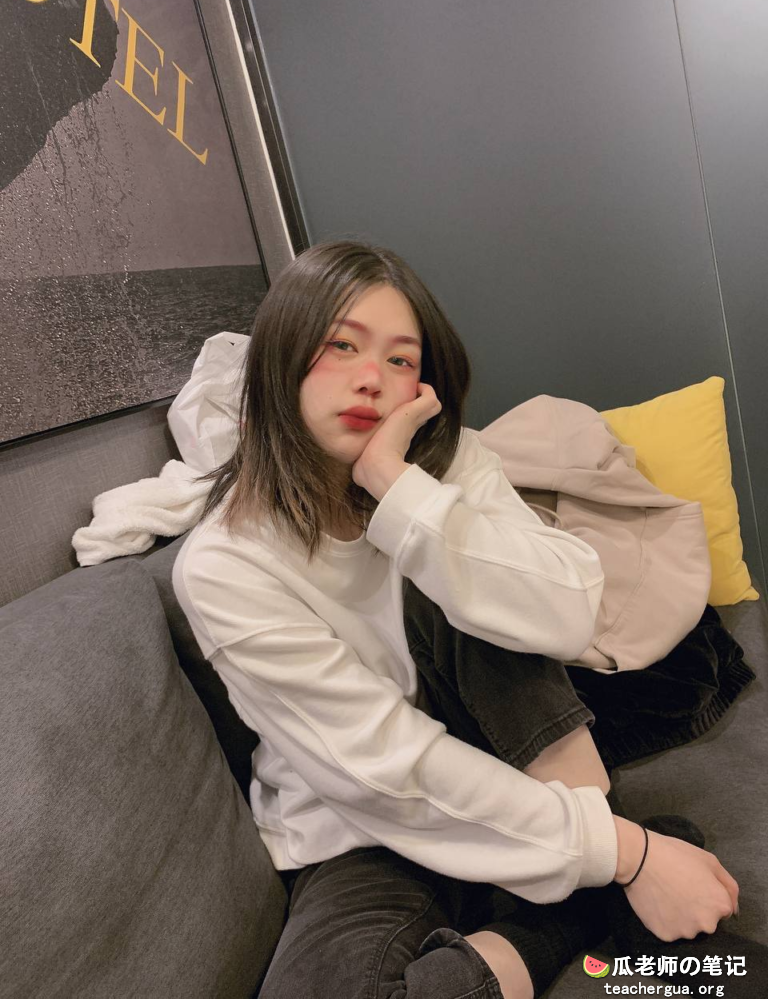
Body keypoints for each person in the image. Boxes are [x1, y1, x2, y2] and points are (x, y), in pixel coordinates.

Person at [172, 240, 743, 999]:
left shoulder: (448, 469)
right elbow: (385, 770)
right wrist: (627, 854)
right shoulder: (225, 564)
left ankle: (585, 871)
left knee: (459, 569)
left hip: (516, 763)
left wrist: (398, 489)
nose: (372, 378)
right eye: (340, 345)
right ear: (282, 356)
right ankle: (574, 916)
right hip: (362, 827)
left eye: (401, 360)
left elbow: (570, 614)